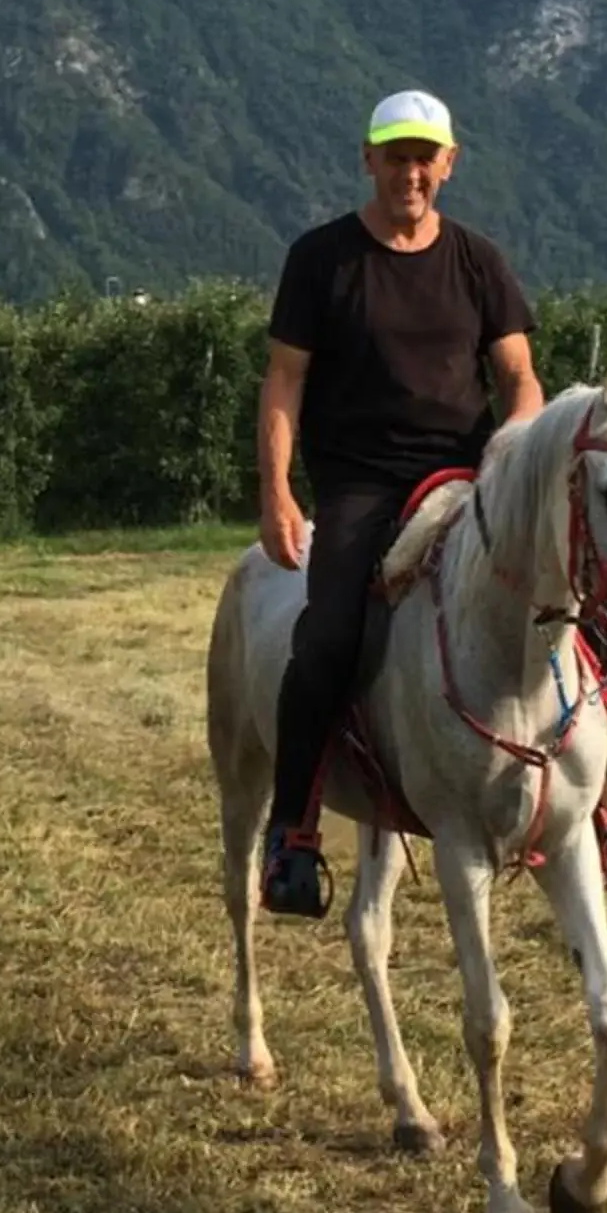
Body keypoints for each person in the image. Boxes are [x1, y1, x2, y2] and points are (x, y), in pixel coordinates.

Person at [256, 90, 544, 918]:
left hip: (472, 476)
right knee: (329, 634)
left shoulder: (479, 261)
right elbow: (285, 380)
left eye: (426, 157)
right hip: (361, 485)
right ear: (368, 160)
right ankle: (293, 832)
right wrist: (276, 490)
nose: (410, 171)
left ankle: (602, 812)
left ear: (448, 165)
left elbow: (520, 379)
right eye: (395, 155)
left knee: (575, 608)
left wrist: (512, 460)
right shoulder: (321, 260)